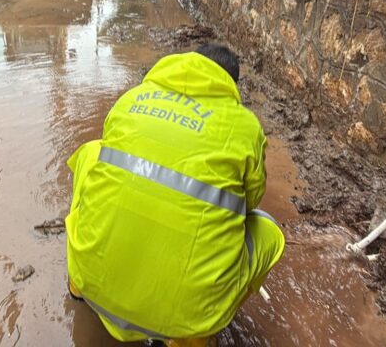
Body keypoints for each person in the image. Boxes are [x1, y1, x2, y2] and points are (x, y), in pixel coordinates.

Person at [66, 44, 285, 346]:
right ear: (230, 83)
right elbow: (250, 202)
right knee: (268, 231)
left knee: (92, 153)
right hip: (185, 318)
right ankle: (189, 337)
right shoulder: (246, 126)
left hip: (94, 285)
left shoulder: (131, 99)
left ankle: (77, 286)